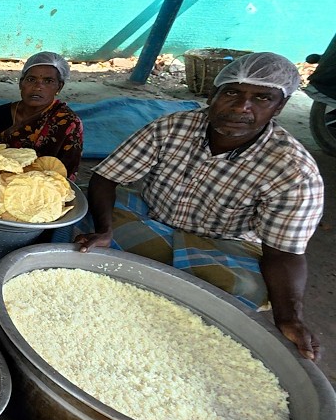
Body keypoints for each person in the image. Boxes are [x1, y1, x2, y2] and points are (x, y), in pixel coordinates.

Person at [75, 52, 324, 360]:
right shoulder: (170, 128)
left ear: (279, 106)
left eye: (261, 98)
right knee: (76, 206)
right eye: (232, 92)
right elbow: (106, 178)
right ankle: (154, 274)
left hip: (223, 248)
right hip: (151, 217)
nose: (241, 107)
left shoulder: (294, 172)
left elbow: (284, 254)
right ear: (213, 95)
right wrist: (104, 230)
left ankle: (139, 273)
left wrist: (290, 317)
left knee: (247, 289)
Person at [0, 51, 84, 179]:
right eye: (31, 79)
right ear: (21, 84)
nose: (38, 87)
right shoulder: (1, 114)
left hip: (42, 186)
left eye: (48, 81)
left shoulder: (68, 122)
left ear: (59, 87)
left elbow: (65, 173)